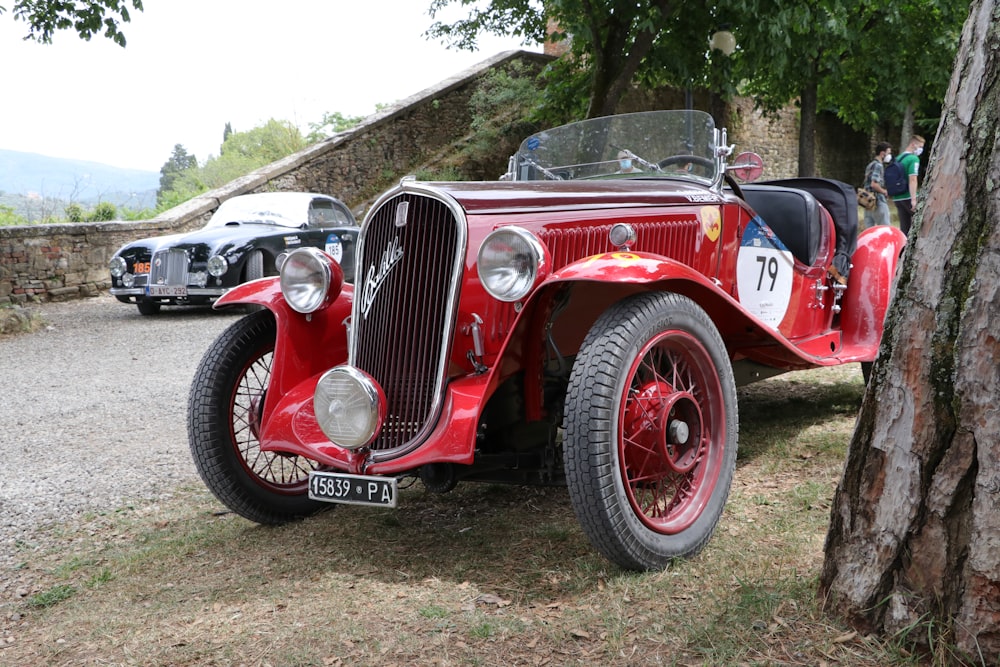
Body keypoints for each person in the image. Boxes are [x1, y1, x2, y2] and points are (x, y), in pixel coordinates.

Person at [891, 134, 925, 235]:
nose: (920, 150)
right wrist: (914, 199)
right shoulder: (913, 159)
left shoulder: (897, 159)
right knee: (922, 224)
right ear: (913, 144)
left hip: (897, 198)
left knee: (905, 228)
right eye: (920, 147)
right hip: (908, 197)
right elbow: (913, 179)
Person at [863, 141, 893, 229]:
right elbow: (874, 184)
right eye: (888, 153)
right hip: (878, 201)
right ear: (882, 153)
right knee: (885, 229)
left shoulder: (870, 165)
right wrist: (884, 191)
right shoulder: (878, 166)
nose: (889, 156)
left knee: (869, 231)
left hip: (867, 201)